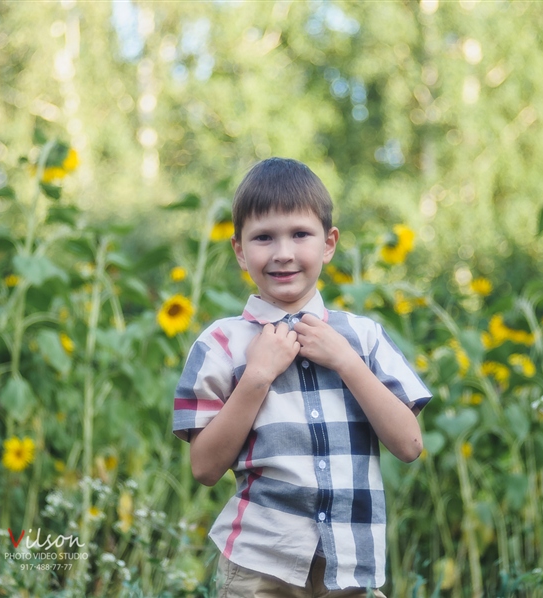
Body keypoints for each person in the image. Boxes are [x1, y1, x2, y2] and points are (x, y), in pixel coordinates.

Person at [172, 157, 432, 597]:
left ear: (328, 244)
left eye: (300, 234)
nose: (283, 253)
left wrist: (347, 361)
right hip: (259, 565)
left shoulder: (363, 337)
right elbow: (205, 468)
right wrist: (257, 377)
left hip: (350, 566)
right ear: (239, 250)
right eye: (263, 237)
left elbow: (409, 445)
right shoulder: (220, 344)